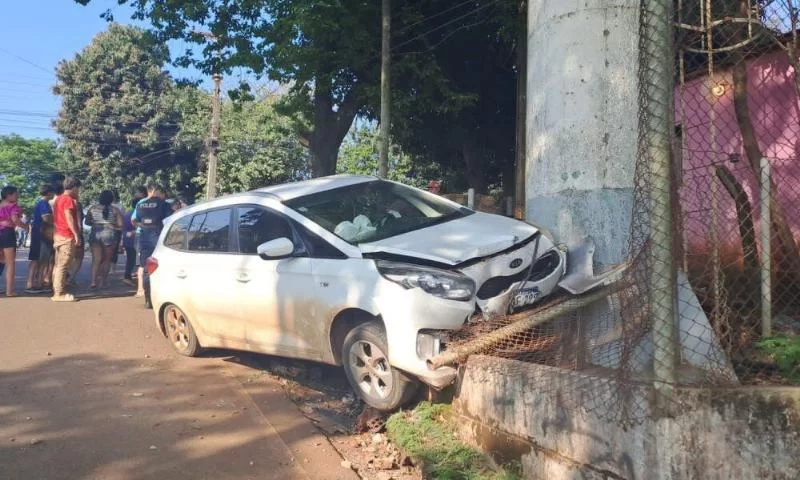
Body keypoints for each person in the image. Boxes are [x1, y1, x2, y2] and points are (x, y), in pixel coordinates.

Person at [132, 184, 171, 303]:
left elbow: (134, 220)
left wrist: (142, 226)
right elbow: (170, 220)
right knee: (160, 264)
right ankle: (160, 292)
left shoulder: (140, 203)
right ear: (154, 190)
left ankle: (146, 296)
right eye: (159, 191)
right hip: (158, 236)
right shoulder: (163, 204)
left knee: (144, 266)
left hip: (143, 236)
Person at [51, 177, 82, 302]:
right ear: (74, 187)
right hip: (66, 235)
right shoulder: (68, 200)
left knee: (58, 265)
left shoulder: (58, 199)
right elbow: (69, 217)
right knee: (63, 265)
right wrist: (76, 234)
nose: (79, 191)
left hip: (58, 235)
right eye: (78, 188)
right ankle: (59, 293)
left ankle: (57, 291)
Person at [86, 190, 124, 289]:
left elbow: (87, 222)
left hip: (95, 233)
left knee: (96, 259)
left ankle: (93, 282)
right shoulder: (115, 210)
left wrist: (97, 223)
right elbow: (121, 225)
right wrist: (112, 226)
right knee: (107, 260)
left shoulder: (92, 208)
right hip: (110, 234)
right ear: (111, 199)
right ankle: (103, 281)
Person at [25, 184, 55, 294]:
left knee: (37, 259)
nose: (53, 195)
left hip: (38, 233)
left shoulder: (41, 203)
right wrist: (56, 224)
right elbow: (46, 218)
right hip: (42, 234)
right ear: (48, 193)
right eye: (52, 192)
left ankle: (34, 283)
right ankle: (34, 284)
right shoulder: (44, 204)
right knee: (41, 259)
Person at [0, 185, 28, 297]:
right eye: (16, 194)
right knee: (10, 264)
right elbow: (15, 220)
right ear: (8, 195)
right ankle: (10, 291)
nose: (18, 196)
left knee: (1, 260)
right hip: (7, 233)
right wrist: (25, 226)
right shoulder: (12, 206)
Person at [122, 198, 138, 286]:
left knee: (130, 259)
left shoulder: (127, 214)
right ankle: (127, 277)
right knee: (132, 259)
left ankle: (128, 276)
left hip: (127, 239)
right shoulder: (137, 214)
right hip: (134, 240)